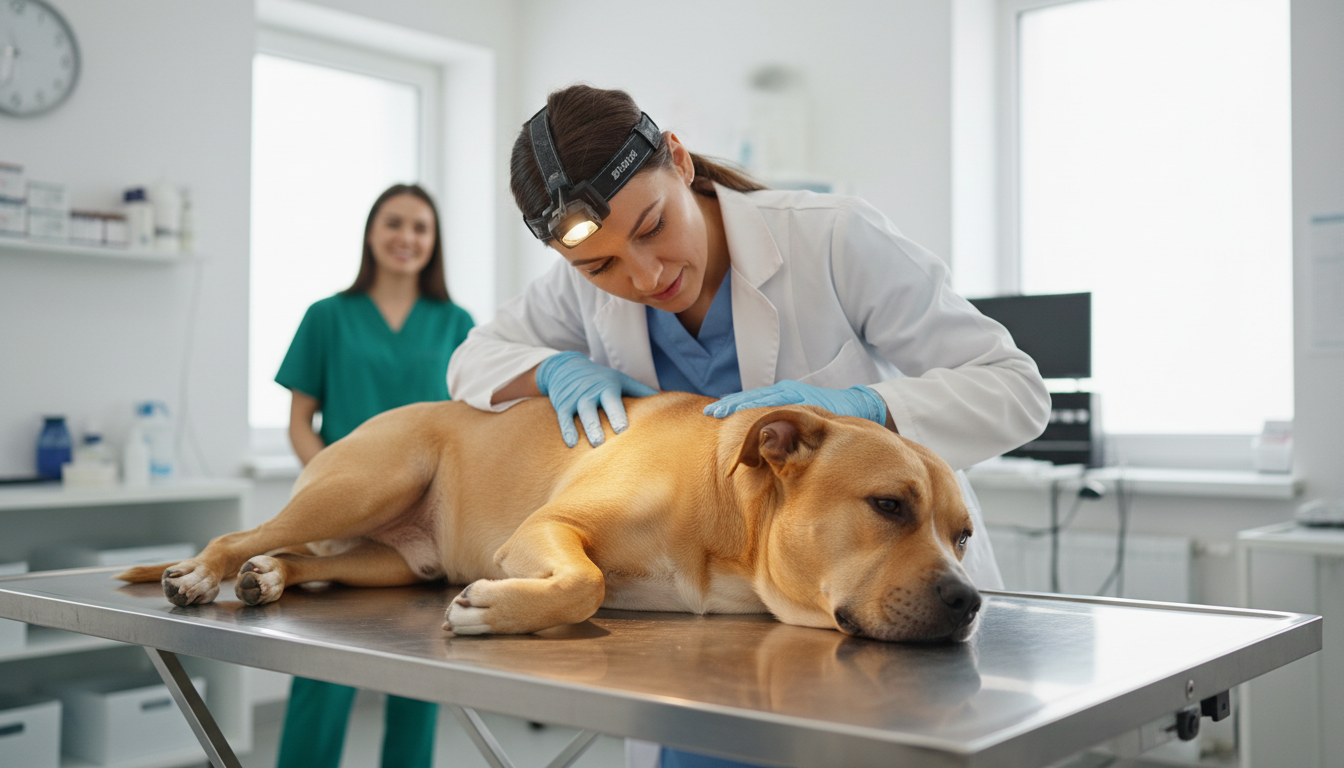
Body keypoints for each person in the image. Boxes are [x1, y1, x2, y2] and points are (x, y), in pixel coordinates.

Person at [446, 85, 1049, 768]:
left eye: (651, 228)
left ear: (678, 160)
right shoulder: (575, 292)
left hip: (879, 613)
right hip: (710, 633)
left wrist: (868, 407)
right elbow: (473, 359)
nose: (645, 276)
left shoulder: (832, 236)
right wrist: (553, 369)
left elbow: (1016, 387)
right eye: (601, 264)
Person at [274, 183, 474, 768]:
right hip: (338, 519)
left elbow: (467, 429)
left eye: (420, 228)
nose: (406, 238)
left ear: (433, 243)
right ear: (370, 232)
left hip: (421, 525)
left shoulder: (457, 322)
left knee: (418, 673)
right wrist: (335, 497)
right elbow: (299, 423)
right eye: (394, 223)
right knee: (320, 668)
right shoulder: (326, 317)